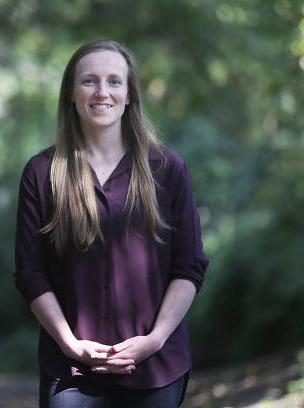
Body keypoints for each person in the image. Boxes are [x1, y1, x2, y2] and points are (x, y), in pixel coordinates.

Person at [14, 40, 209, 408]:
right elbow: (30, 272)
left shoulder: (167, 169)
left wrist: (154, 339)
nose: (102, 92)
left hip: (156, 368)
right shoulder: (41, 174)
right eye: (89, 81)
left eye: (114, 82)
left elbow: (189, 266)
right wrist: (69, 343)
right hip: (70, 370)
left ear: (130, 94)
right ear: (71, 94)